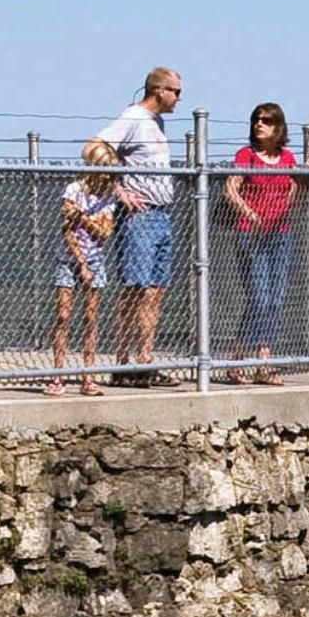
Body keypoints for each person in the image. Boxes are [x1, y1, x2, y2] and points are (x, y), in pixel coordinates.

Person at [92, 67, 183, 385]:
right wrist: (119, 191)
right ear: (158, 90)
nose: (177, 99)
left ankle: (145, 359)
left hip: (162, 214)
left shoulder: (157, 124)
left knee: (156, 290)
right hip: (139, 216)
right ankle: (123, 361)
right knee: (136, 288)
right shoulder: (133, 118)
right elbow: (96, 148)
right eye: (175, 92)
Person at [217, 102, 302, 385]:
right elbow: (231, 188)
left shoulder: (287, 157)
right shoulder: (247, 155)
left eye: (266, 121)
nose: (259, 125)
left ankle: (262, 360)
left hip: (280, 234)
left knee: (275, 301)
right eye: (256, 120)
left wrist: (282, 210)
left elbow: (293, 186)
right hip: (250, 234)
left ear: (278, 126)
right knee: (259, 298)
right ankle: (242, 360)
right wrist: (248, 212)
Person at [49, 141, 128, 396]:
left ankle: (88, 375)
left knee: (90, 317)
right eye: (104, 168)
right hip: (68, 260)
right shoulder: (73, 190)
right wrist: (80, 262)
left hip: (95, 259)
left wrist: (82, 217)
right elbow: (67, 230)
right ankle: (58, 374)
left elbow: (104, 233)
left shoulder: (107, 196)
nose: (107, 175)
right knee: (63, 315)